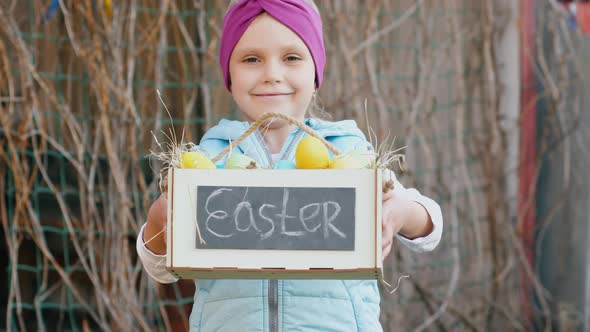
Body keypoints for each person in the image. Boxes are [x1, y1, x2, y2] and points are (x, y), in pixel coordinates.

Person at [137, 0, 443, 330]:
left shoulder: (347, 153)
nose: (272, 75)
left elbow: (431, 227)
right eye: (251, 59)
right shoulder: (210, 160)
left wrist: (400, 211)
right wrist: (160, 218)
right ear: (229, 74)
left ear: (315, 73)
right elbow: (160, 268)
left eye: (292, 58)